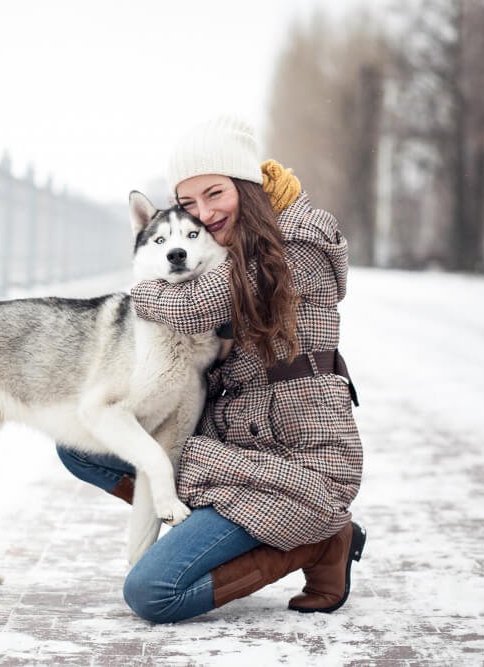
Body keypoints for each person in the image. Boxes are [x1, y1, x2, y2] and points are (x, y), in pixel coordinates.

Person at [56, 115, 364, 623]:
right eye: (190, 202)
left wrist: (142, 283)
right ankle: (203, 520)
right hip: (231, 444)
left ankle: (317, 541)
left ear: (245, 182)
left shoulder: (301, 241)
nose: (204, 212)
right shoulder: (224, 246)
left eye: (215, 193)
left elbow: (194, 306)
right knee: (82, 445)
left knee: (153, 594)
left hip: (299, 462)